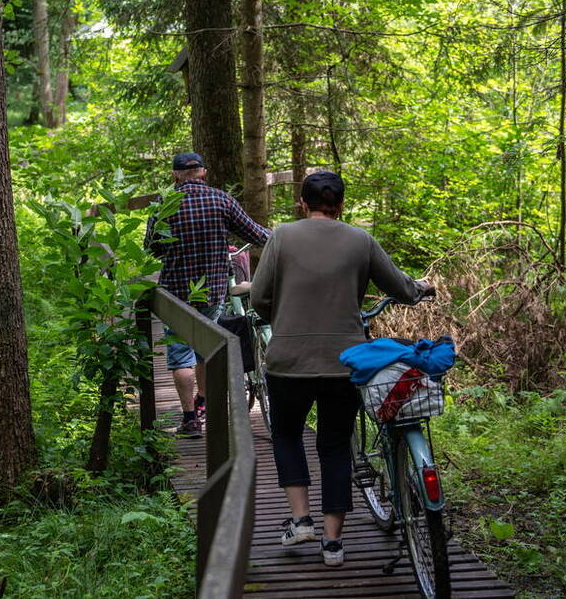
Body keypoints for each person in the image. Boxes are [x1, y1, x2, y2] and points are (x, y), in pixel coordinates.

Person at [250, 170, 426, 567]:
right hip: (344, 361)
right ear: (341, 205)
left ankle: (300, 520)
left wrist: (282, 319)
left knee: (287, 434)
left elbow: (260, 297)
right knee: (334, 444)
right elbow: (400, 288)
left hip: (288, 361)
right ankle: (332, 543)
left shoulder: (281, 236)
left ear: (302, 203)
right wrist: (420, 289)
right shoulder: (361, 240)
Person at [145, 152, 271, 438]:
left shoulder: (164, 204)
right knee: (205, 348)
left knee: (180, 355)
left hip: (176, 293)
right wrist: (285, 238)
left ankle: (190, 419)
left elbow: (152, 247)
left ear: (175, 174)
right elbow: (255, 232)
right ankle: (204, 402)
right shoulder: (221, 199)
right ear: (203, 171)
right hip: (212, 290)